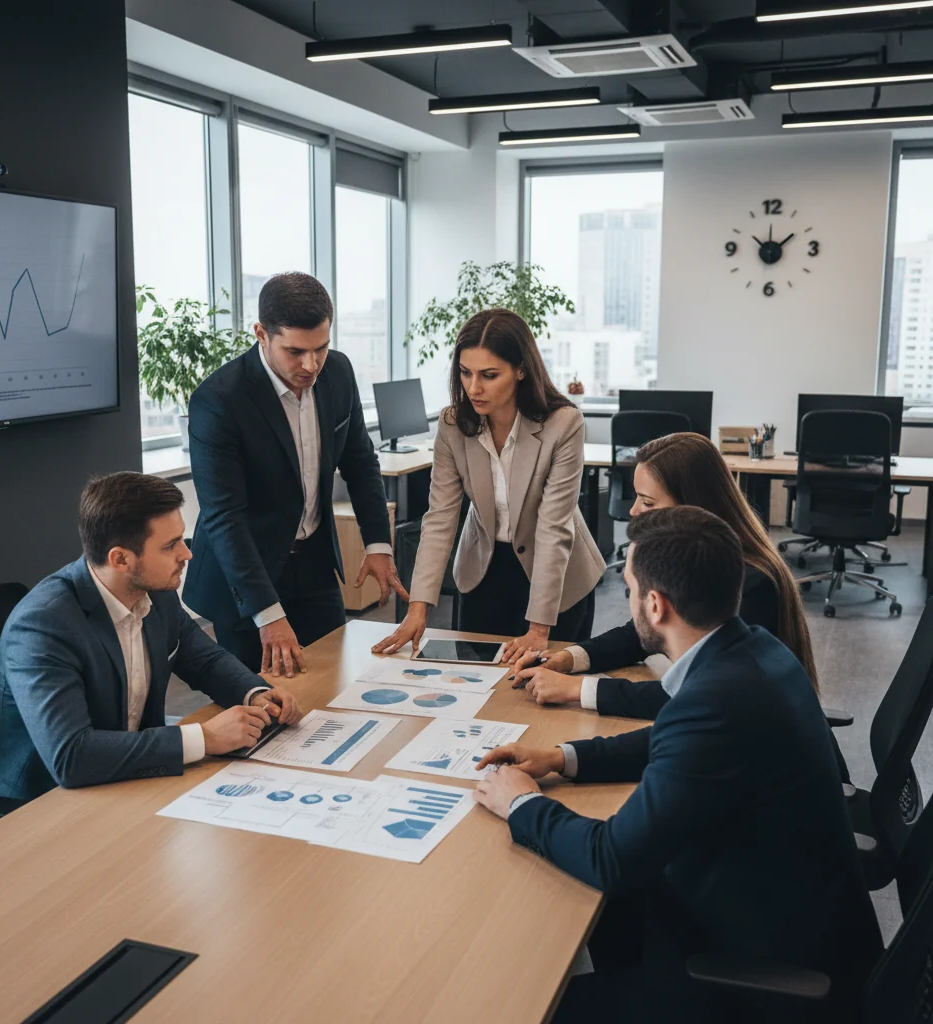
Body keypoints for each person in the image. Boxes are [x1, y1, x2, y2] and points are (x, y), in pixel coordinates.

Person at [473, 507, 881, 1021]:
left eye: (629, 590)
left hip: (762, 967)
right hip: (780, 907)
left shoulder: (715, 700)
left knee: (528, 1002)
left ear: (656, 605)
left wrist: (521, 804)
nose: (628, 602)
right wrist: (562, 757)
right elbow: (670, 739)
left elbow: (610, 859)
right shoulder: (752, 651)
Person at [0, 473, 301, 803]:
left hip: (131, 778)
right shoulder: (42, 626)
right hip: (45, 804)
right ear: (120, 559)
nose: (187, 554)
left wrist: (256, 694)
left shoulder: (155, 592)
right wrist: (204, 738)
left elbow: (206, 661)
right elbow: (71, 756)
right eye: (170, 546)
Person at [184, 271, 407, 678]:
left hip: (316, 565)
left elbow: (360, 461)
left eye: (321, 348)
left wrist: (378, 543)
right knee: (260, 700)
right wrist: (267, 614)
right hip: (246, 577)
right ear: (261, 334)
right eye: (295, 351)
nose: (311, 364)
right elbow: (224, 517)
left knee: (330, 684)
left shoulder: (338, 372)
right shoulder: (219, 401)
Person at [514, 431, 818, 716]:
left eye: (647, 502)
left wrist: (579, 690)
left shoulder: (748, 581)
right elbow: (641, 633)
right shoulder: (697, 558)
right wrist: (567, 659)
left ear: (692, 505)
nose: (633, 511)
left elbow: (698, 697)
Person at [373, 309, 605, 663]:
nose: (473, 388)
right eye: (465, 372)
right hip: (482, 569)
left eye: (489, 375)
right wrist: (418, 608)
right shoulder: (453, 425)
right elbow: (440, 518)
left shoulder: (563, 424)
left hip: (556, 578)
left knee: (542, 684)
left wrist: (539, 629)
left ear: (521, 370)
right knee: (475, 678)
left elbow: (554, 528)